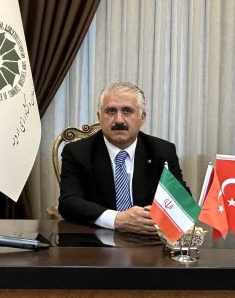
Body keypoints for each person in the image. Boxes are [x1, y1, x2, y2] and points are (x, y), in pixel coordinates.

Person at [58, 82, 189, 235]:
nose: (119, 120)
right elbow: (69, 203)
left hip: (148, 237)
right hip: (96, 239)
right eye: (111, 111)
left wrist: (155, 214)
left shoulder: (162, 151)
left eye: (127, 111)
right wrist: (117, 219)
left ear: (142, 117)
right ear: (99, 117)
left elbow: (182, 201)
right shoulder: (77, 152)